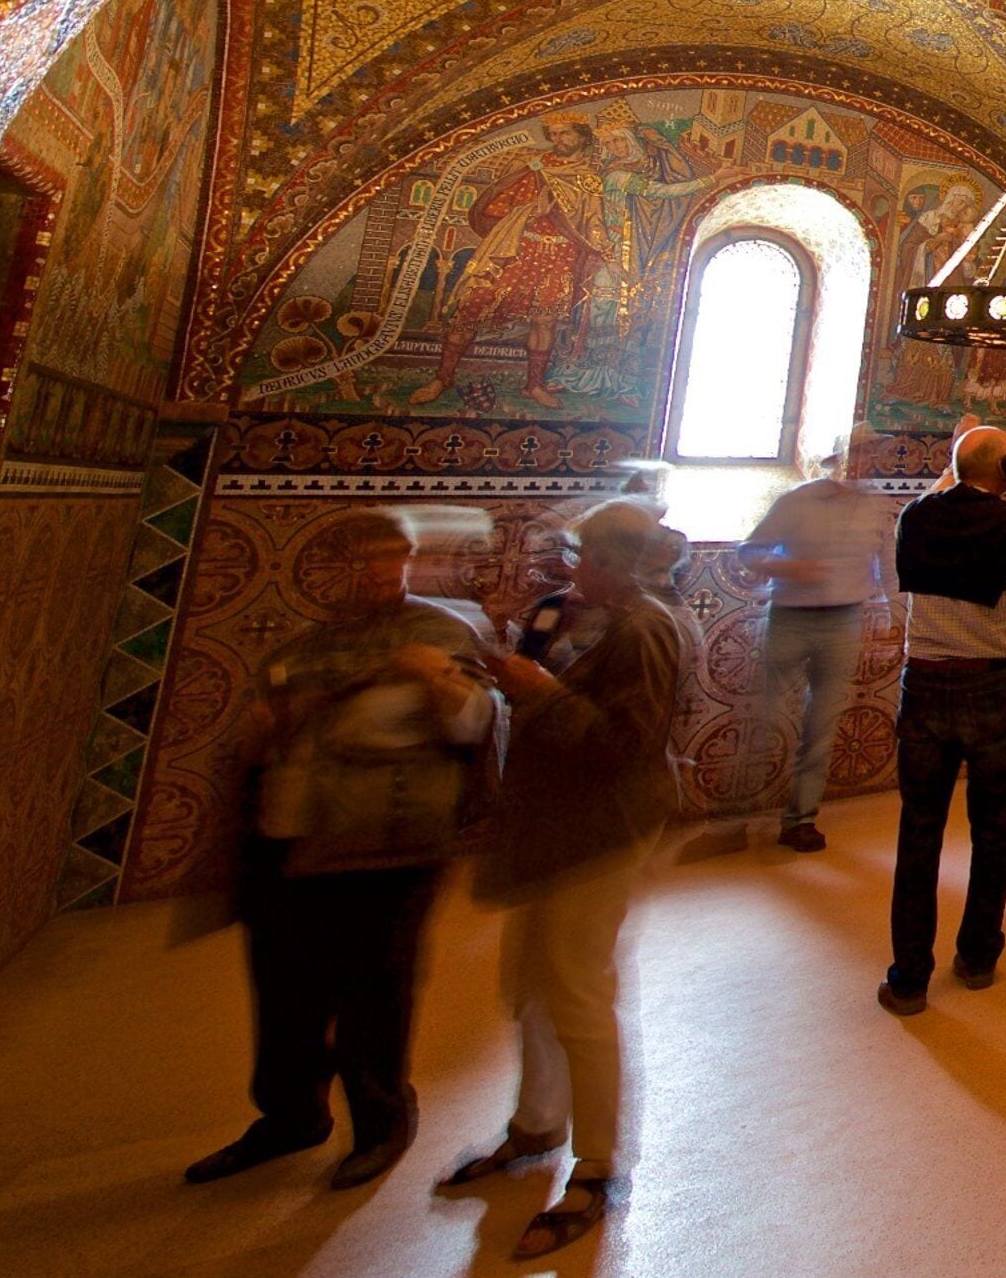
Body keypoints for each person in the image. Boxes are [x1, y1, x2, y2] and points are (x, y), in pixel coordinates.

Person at [185, 512, 498, 1190]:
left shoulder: (441, 632)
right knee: (285, 995)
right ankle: (292, 1117)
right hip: (291, 843)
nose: (381, 572)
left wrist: (438, 683)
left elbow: (476, 723)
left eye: (394, 557)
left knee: (372, 995)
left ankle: (381, 1121)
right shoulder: (307, 645)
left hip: (387, 846)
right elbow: (264, 740)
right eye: (363, 558)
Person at [437, 500, 688, 1257]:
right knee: (532, 984)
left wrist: (539, 693)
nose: (575, 571)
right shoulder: (562, 611)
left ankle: (599, 1166)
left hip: (603, 833)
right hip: (549, 831)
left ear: (623, 566)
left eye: (591, 559)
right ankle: (535, 1125)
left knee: (578, 992)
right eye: (577, 556)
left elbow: (626, 745)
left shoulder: (646, 631)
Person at [879, 424, 1006, 1009]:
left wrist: (964, 461)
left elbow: (939, 500)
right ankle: (978, 956)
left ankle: (908, 977)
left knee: (919, 830)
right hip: (996, 683)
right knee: (994, 827)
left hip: (925, 681)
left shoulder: (916, 517)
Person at [729, 438, 898, 851]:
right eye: (858, 453)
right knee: (765, 719)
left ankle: (800, 820)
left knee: (822, 725)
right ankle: (737, 820)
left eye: (872, 454)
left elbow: (889, 565)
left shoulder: (877, 506)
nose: (866, 463)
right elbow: (749, 551)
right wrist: (789, 567)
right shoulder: (797, 501)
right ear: (835, 460)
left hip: (844, 620)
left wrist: (895, 617)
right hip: (791, 617)